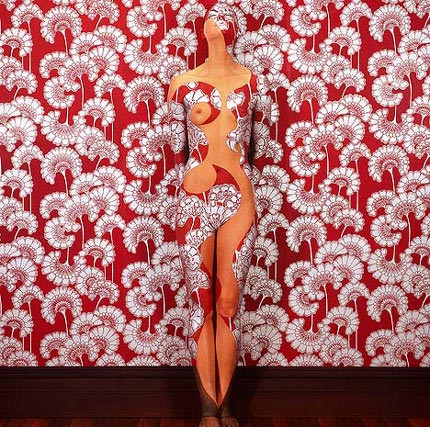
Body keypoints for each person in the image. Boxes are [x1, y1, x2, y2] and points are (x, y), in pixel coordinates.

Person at [167, 3, 270, 426]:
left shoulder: (254, 82)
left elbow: (259, 150)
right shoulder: (181, 84)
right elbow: (177, 151)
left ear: (236, 28)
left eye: (226, 14)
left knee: (229, 302)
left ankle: (227, 406)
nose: (219, 18)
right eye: (212, 14)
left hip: (239, 199)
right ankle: (208, 410)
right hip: (194, 199)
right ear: (202, 28)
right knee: (200, 301)